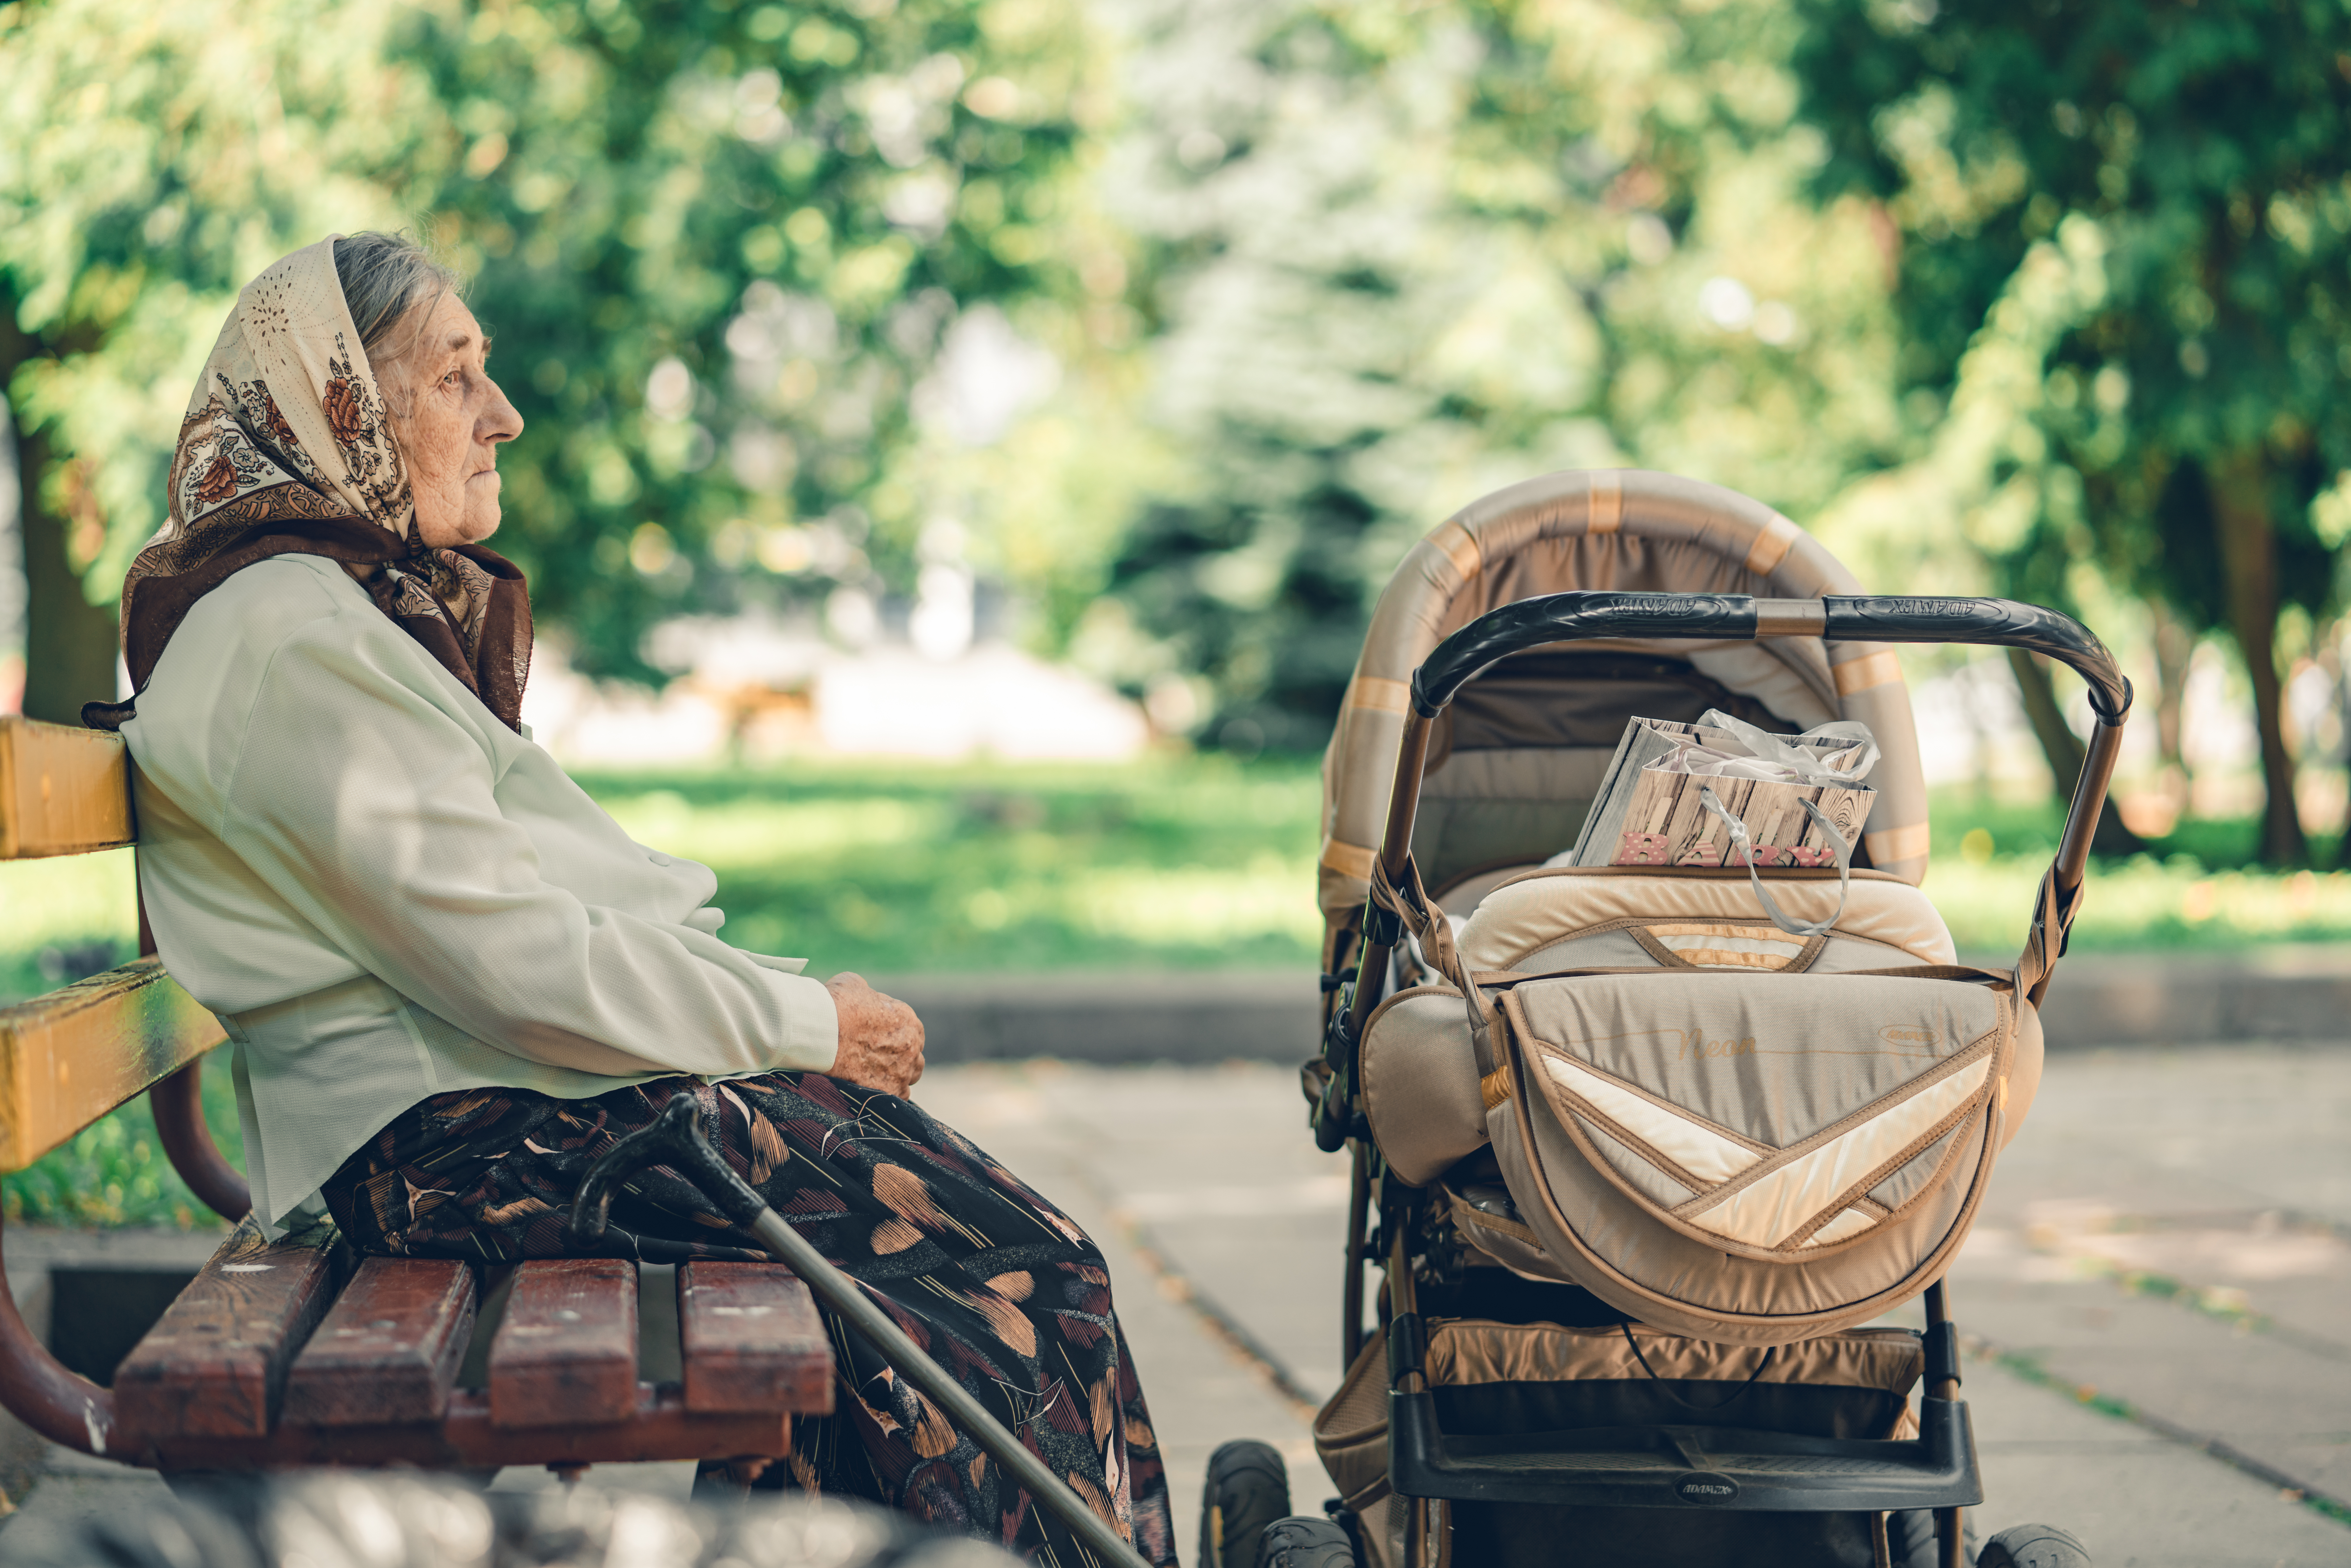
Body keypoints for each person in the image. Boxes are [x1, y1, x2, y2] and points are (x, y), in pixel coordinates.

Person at [95, 233, 1176, 1565]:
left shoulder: (310, 611)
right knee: (1020, 1269)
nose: (504, 415)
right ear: (340, 409)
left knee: (940, 1281)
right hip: (464, 1141)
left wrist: (789, 1015)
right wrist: (803, 1024)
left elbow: (525, 927)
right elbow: (518, 962)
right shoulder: (293, 635)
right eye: (454, 378)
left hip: (493, 1112)